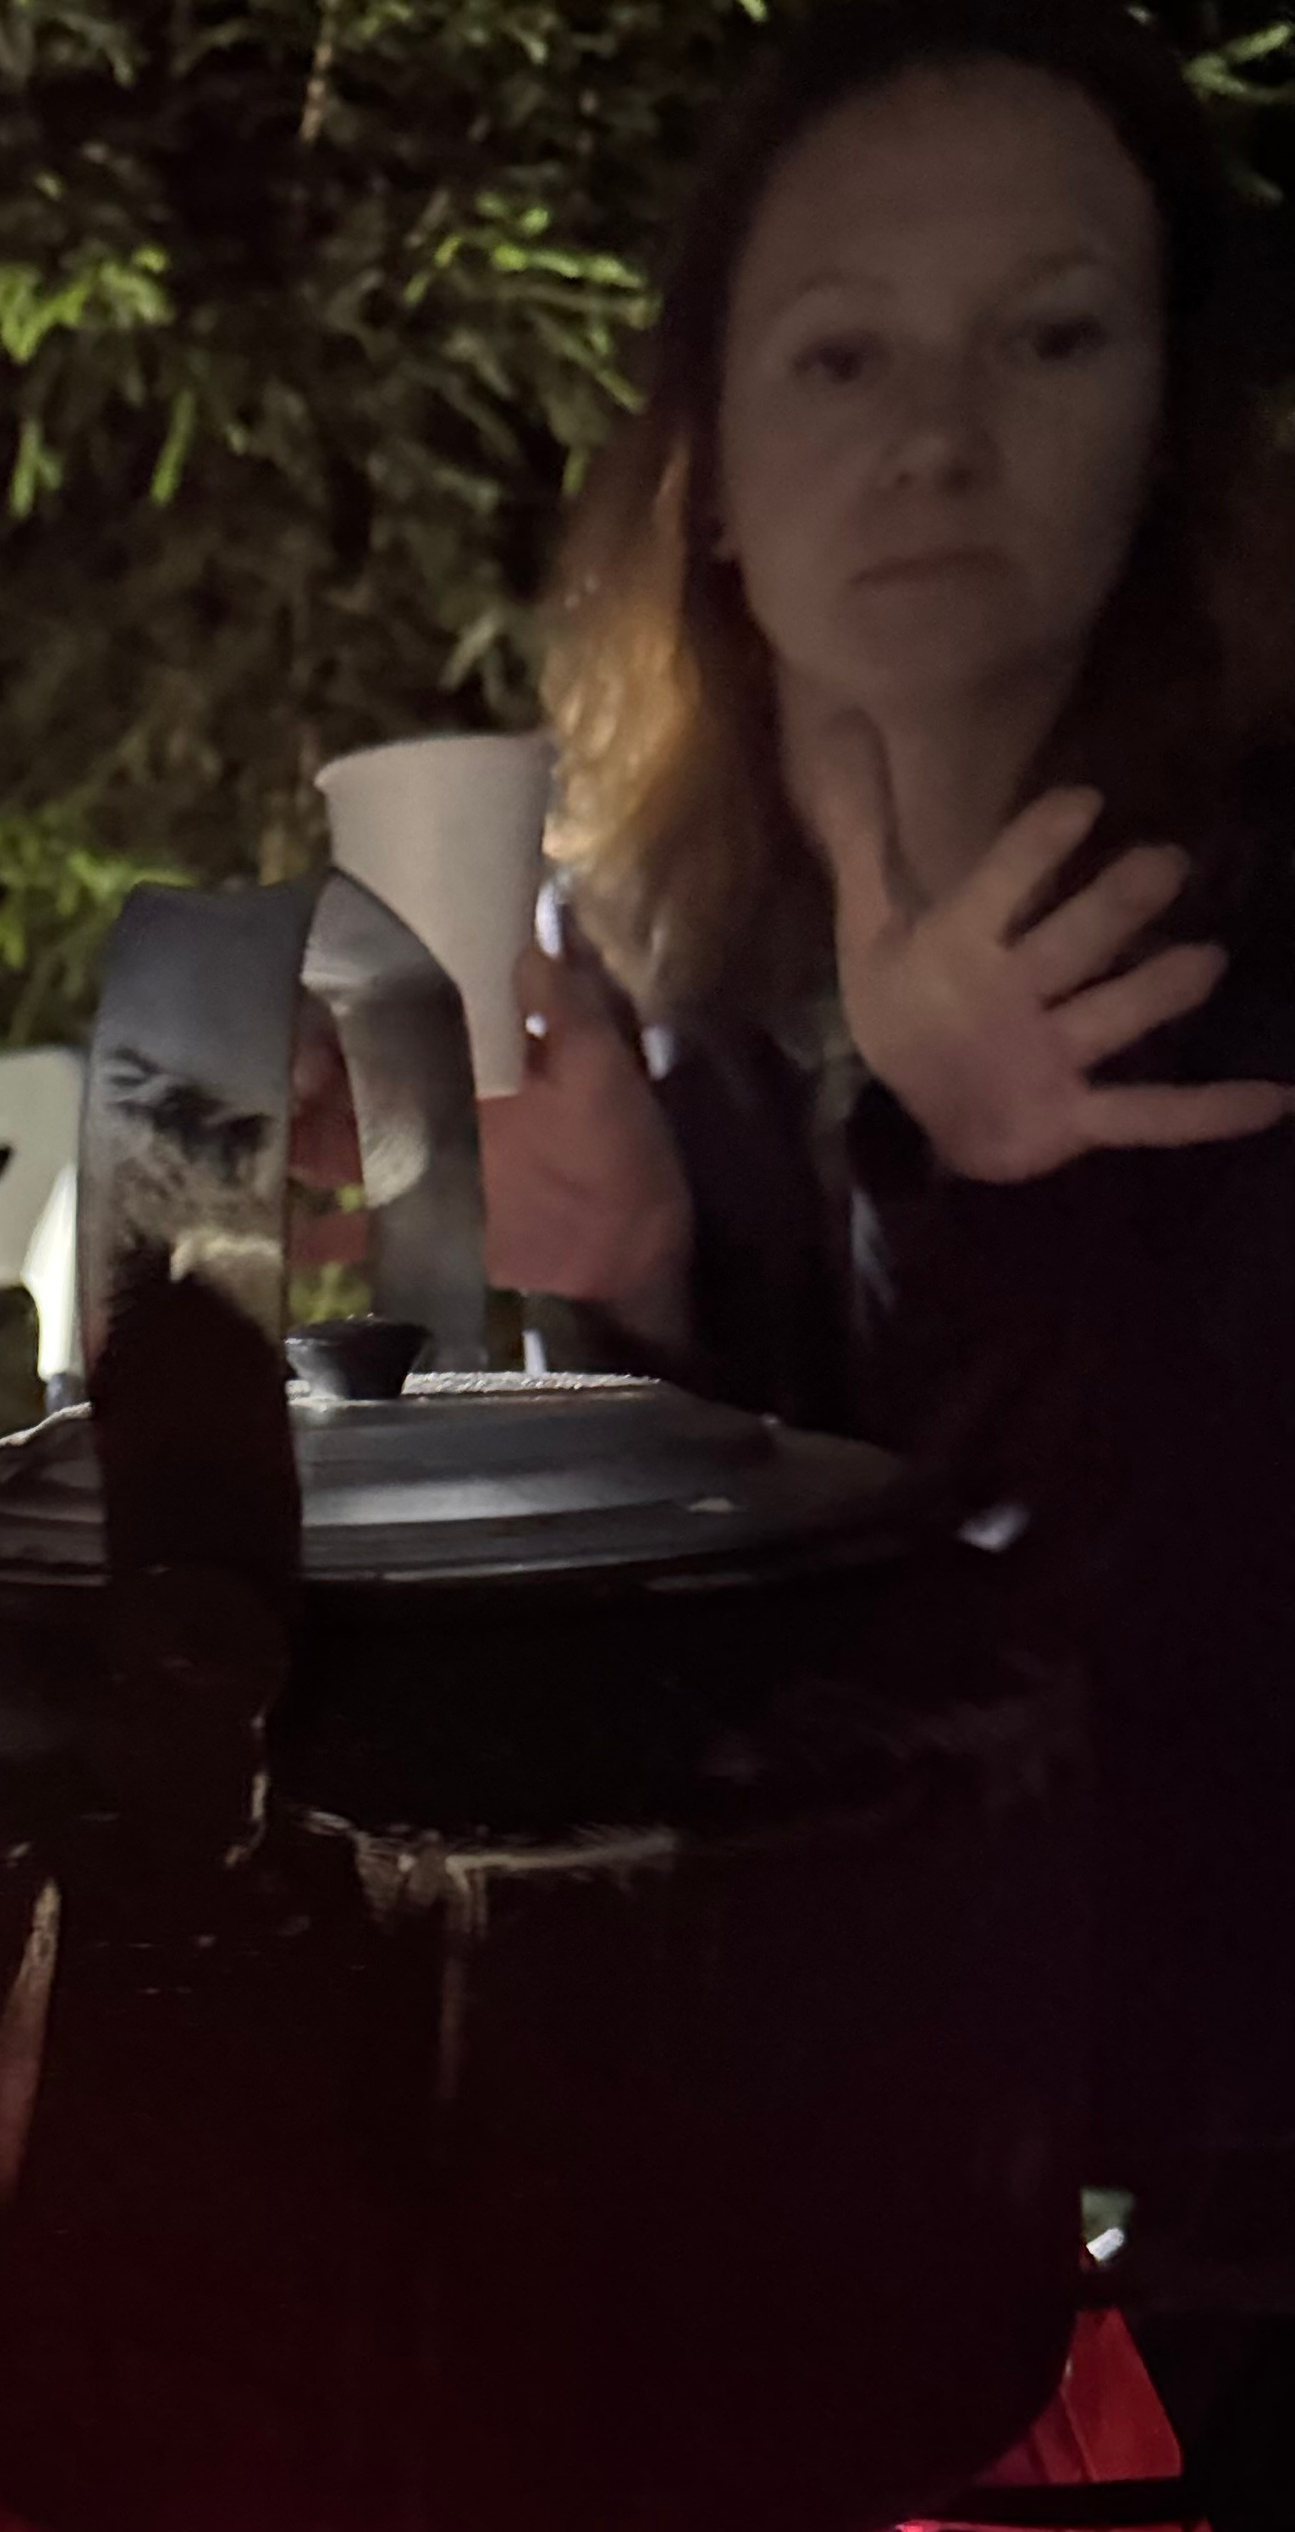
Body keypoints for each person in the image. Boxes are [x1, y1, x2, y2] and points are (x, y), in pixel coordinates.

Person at [479, 0, 1295, 2269]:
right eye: (840, 359)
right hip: (867, 2145)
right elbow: (728, 1698)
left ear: (1165, 426)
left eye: (1046, 339)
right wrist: (624, 1293)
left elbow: (1120, 1762)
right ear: (712, 482)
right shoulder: (697, 952)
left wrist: (995, 1208)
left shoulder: (1246, 936)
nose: (934, 442)